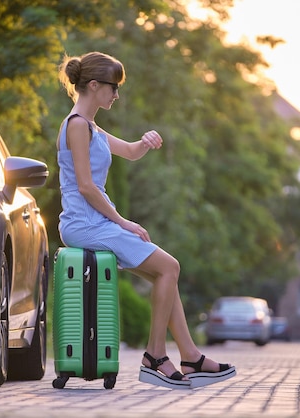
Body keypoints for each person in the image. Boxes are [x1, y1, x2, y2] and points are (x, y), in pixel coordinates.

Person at [56, 51, 235, 389]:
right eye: (113, 88)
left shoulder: (91, 127)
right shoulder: (77, 126)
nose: (116, 95)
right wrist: (124, 222)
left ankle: (190, 355)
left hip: (95, 222)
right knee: (169, 267)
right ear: (94, 85)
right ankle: (155, 357)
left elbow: (130, 151)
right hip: (85, 224)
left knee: (164, 271)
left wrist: (145, 142)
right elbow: (86, 187)